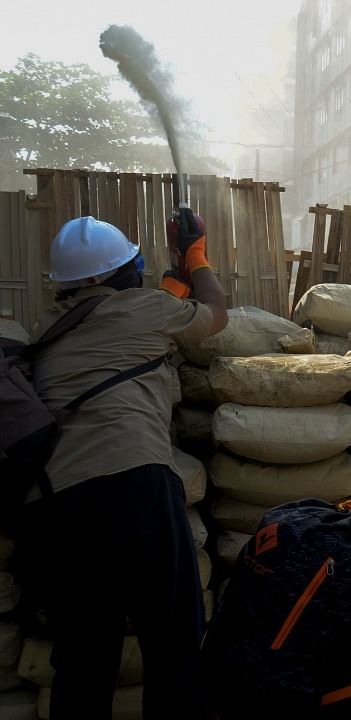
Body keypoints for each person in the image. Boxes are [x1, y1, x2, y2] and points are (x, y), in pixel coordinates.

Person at [25, 211, 227, 718]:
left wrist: (173, 277)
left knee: (83, 658)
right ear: (120, 273)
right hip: (133, 483)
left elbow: (141, 319)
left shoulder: (48, 327)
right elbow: (214, 314)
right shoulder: (145, 308)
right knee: (175, 640)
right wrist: (197, 257)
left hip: (57, 502)